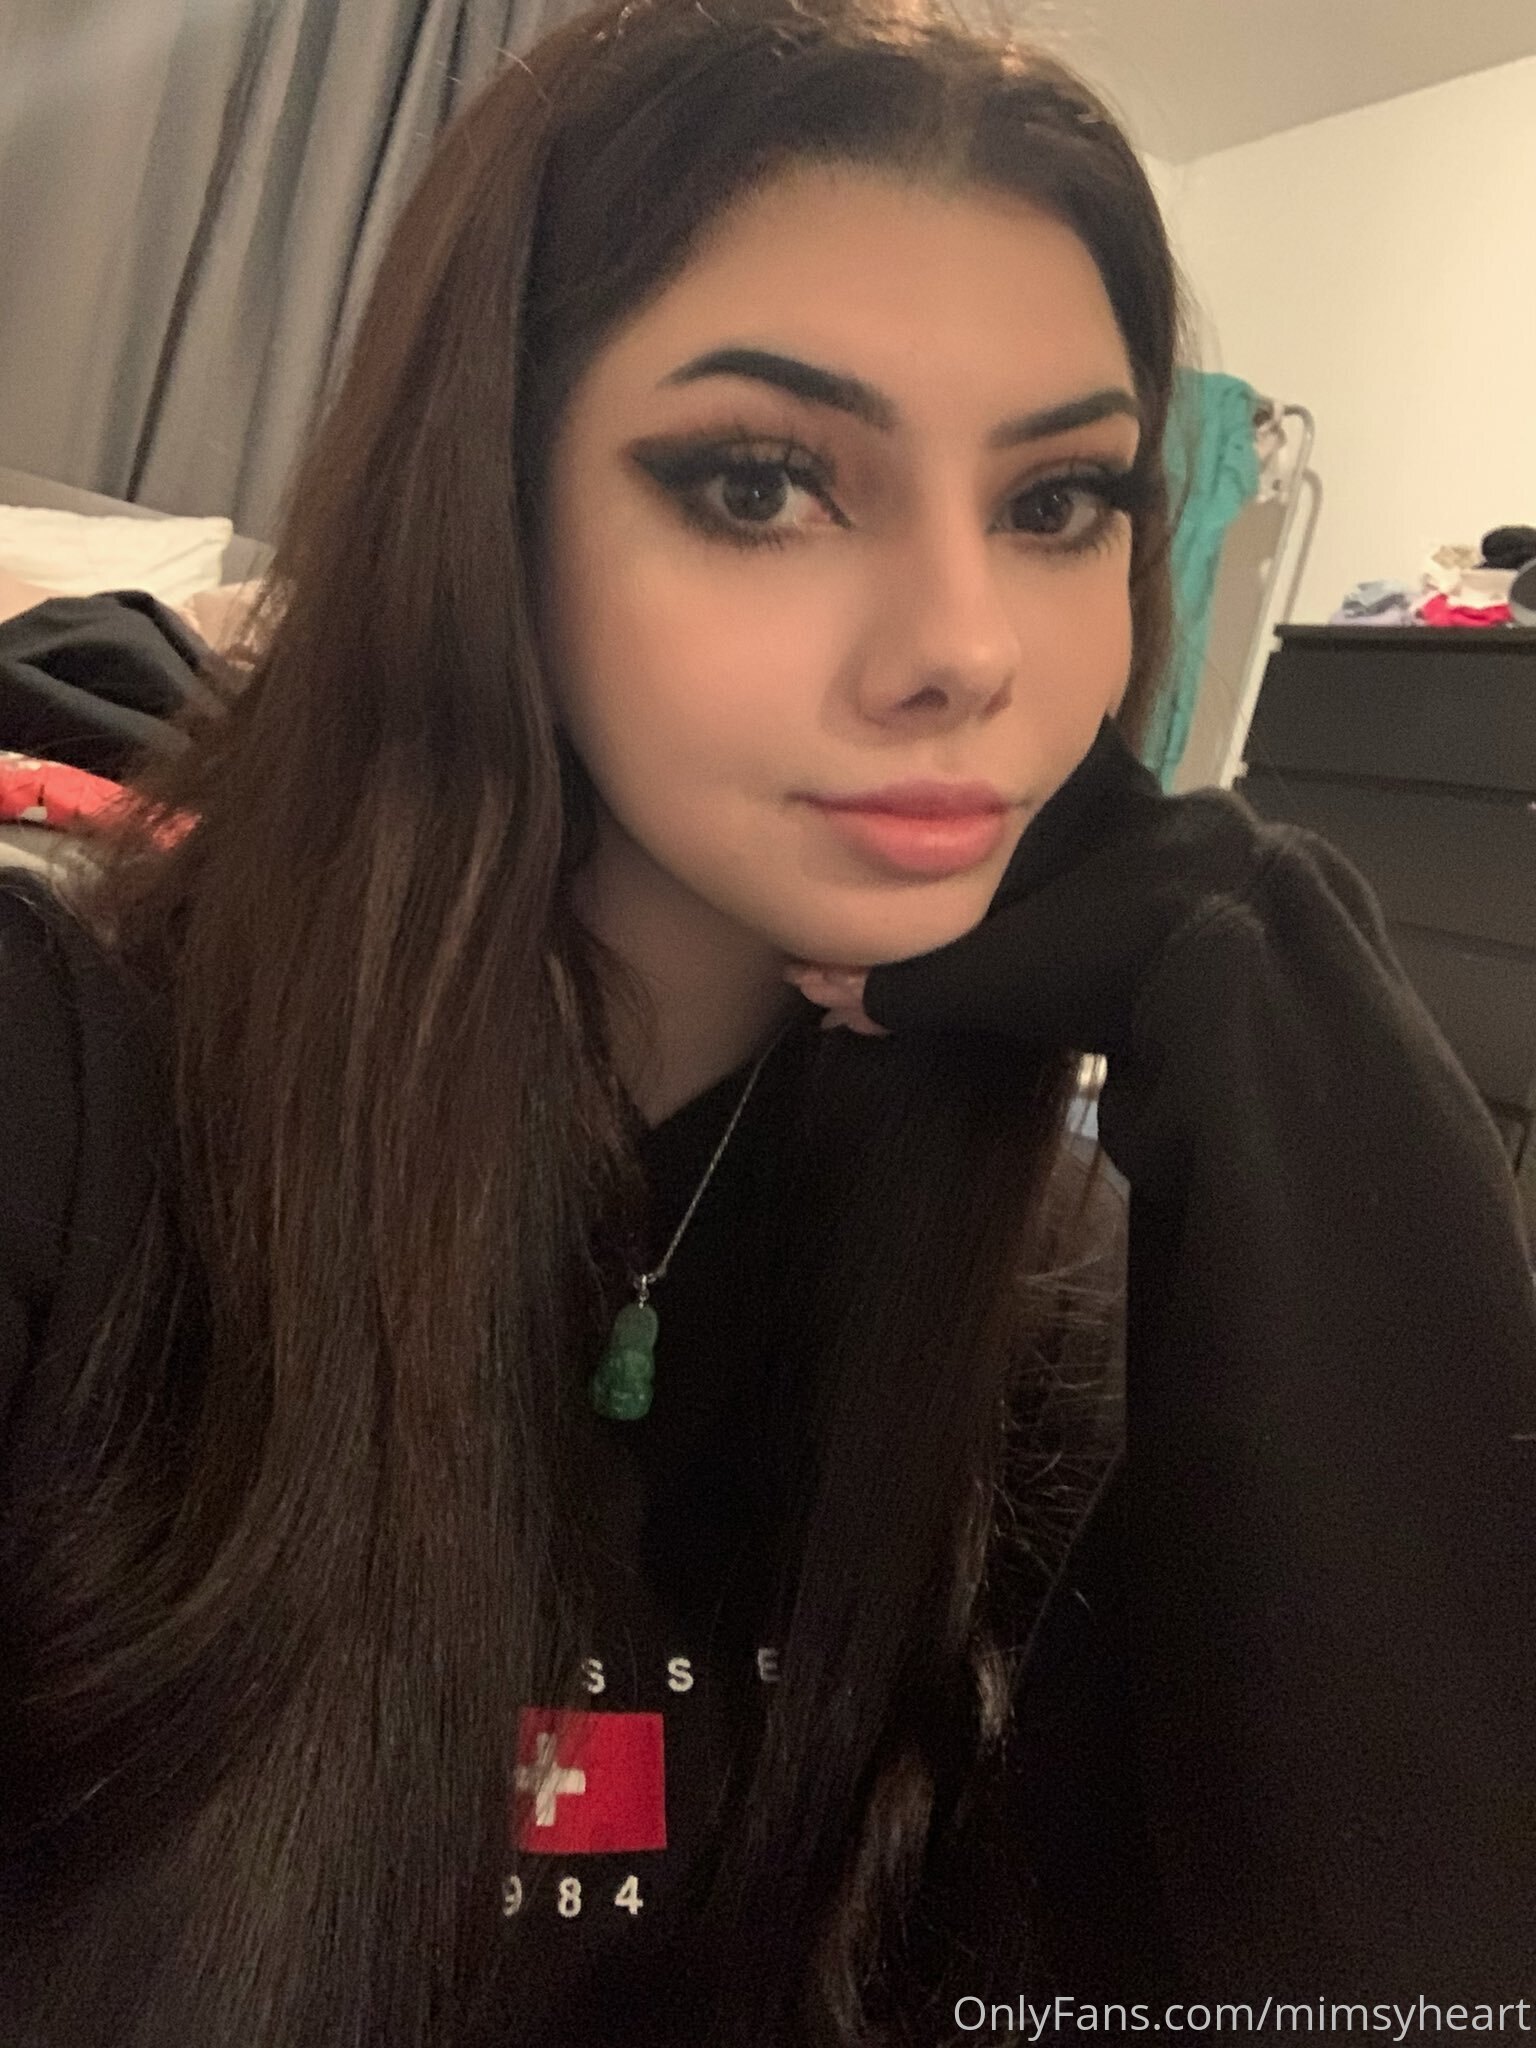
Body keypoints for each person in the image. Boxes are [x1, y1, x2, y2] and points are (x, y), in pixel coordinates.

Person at [1, 0, 1533, 2041]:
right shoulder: (69, 1096)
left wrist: (1284, 1005)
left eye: (1057, 502)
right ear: (488, 513)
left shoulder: (1036, 1287)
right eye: (762, 481)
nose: (965, 649)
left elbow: (1382, 1975)